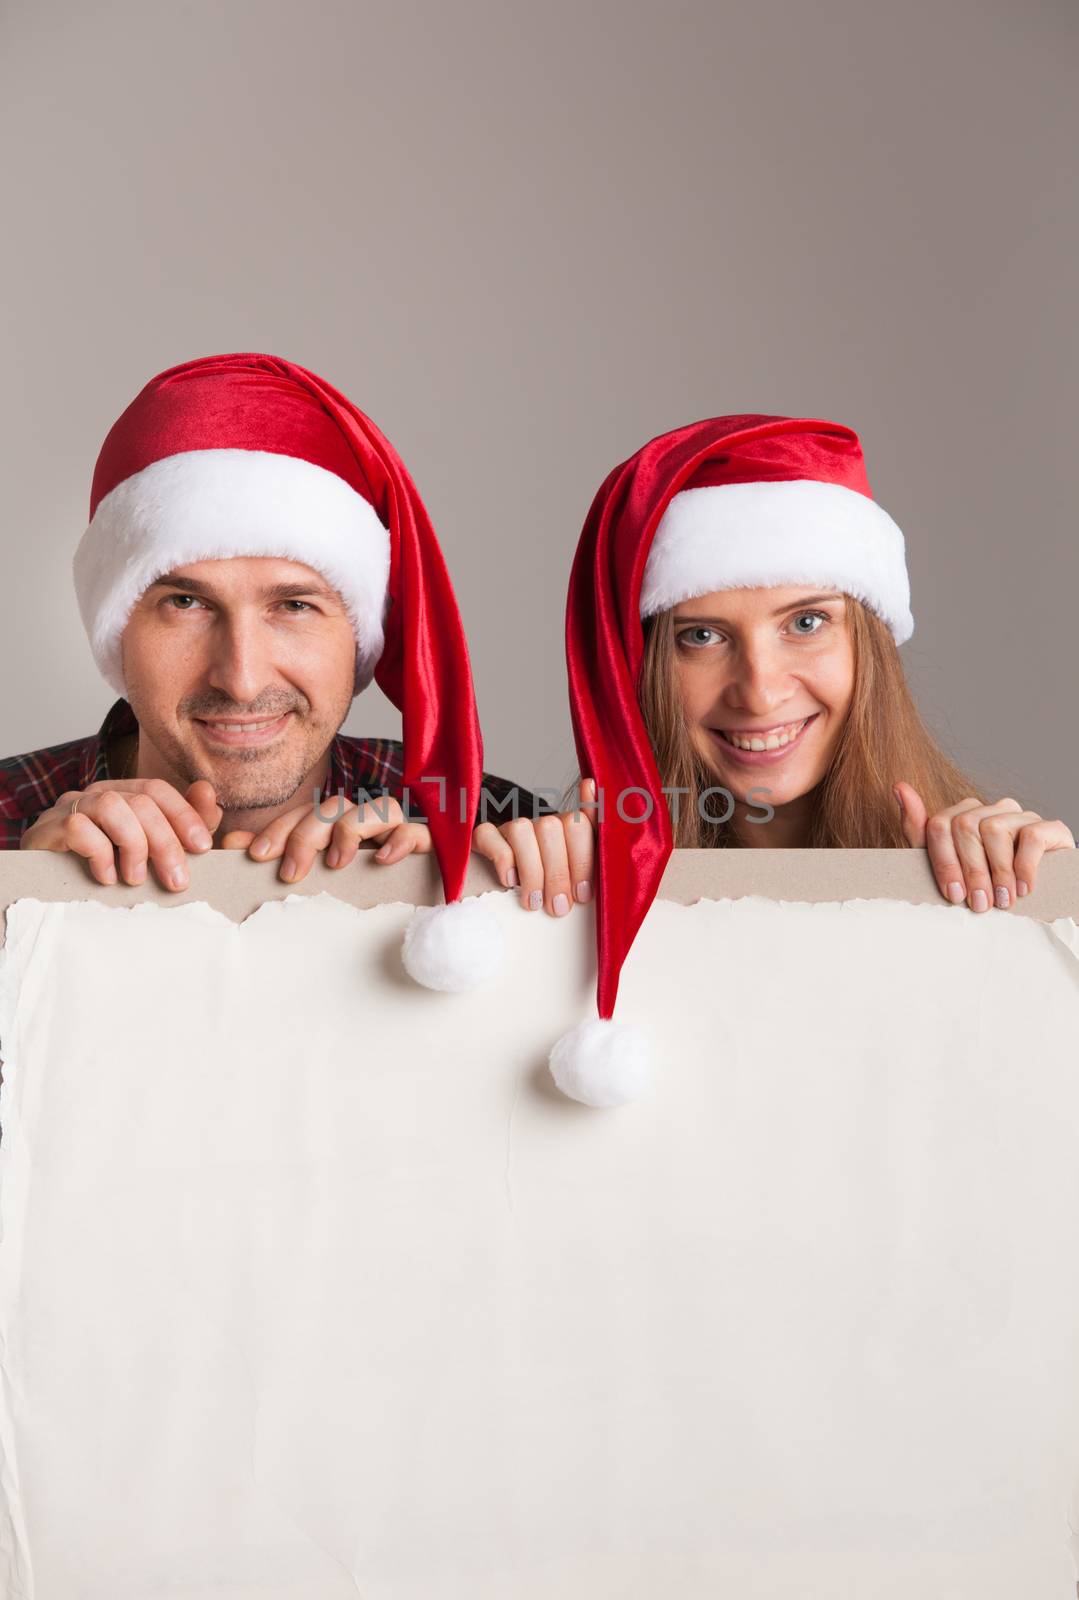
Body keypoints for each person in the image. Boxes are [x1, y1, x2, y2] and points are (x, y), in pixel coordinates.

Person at [481, 414, 1075, 1105]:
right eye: (700, 636)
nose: (759, 691)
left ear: (869, 644)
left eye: (806, 622)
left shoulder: (990, 873)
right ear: (640, 671)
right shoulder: (569, 882)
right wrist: (506, 896)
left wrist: (1044, 909)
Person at [0, 351, 542, 988]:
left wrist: (480, 907)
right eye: (186, 603)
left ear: (362, 635)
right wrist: (21, 906)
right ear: (116, 630)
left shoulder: (495, 829)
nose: (242, 678)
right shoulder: (13, 826)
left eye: (294, 605)